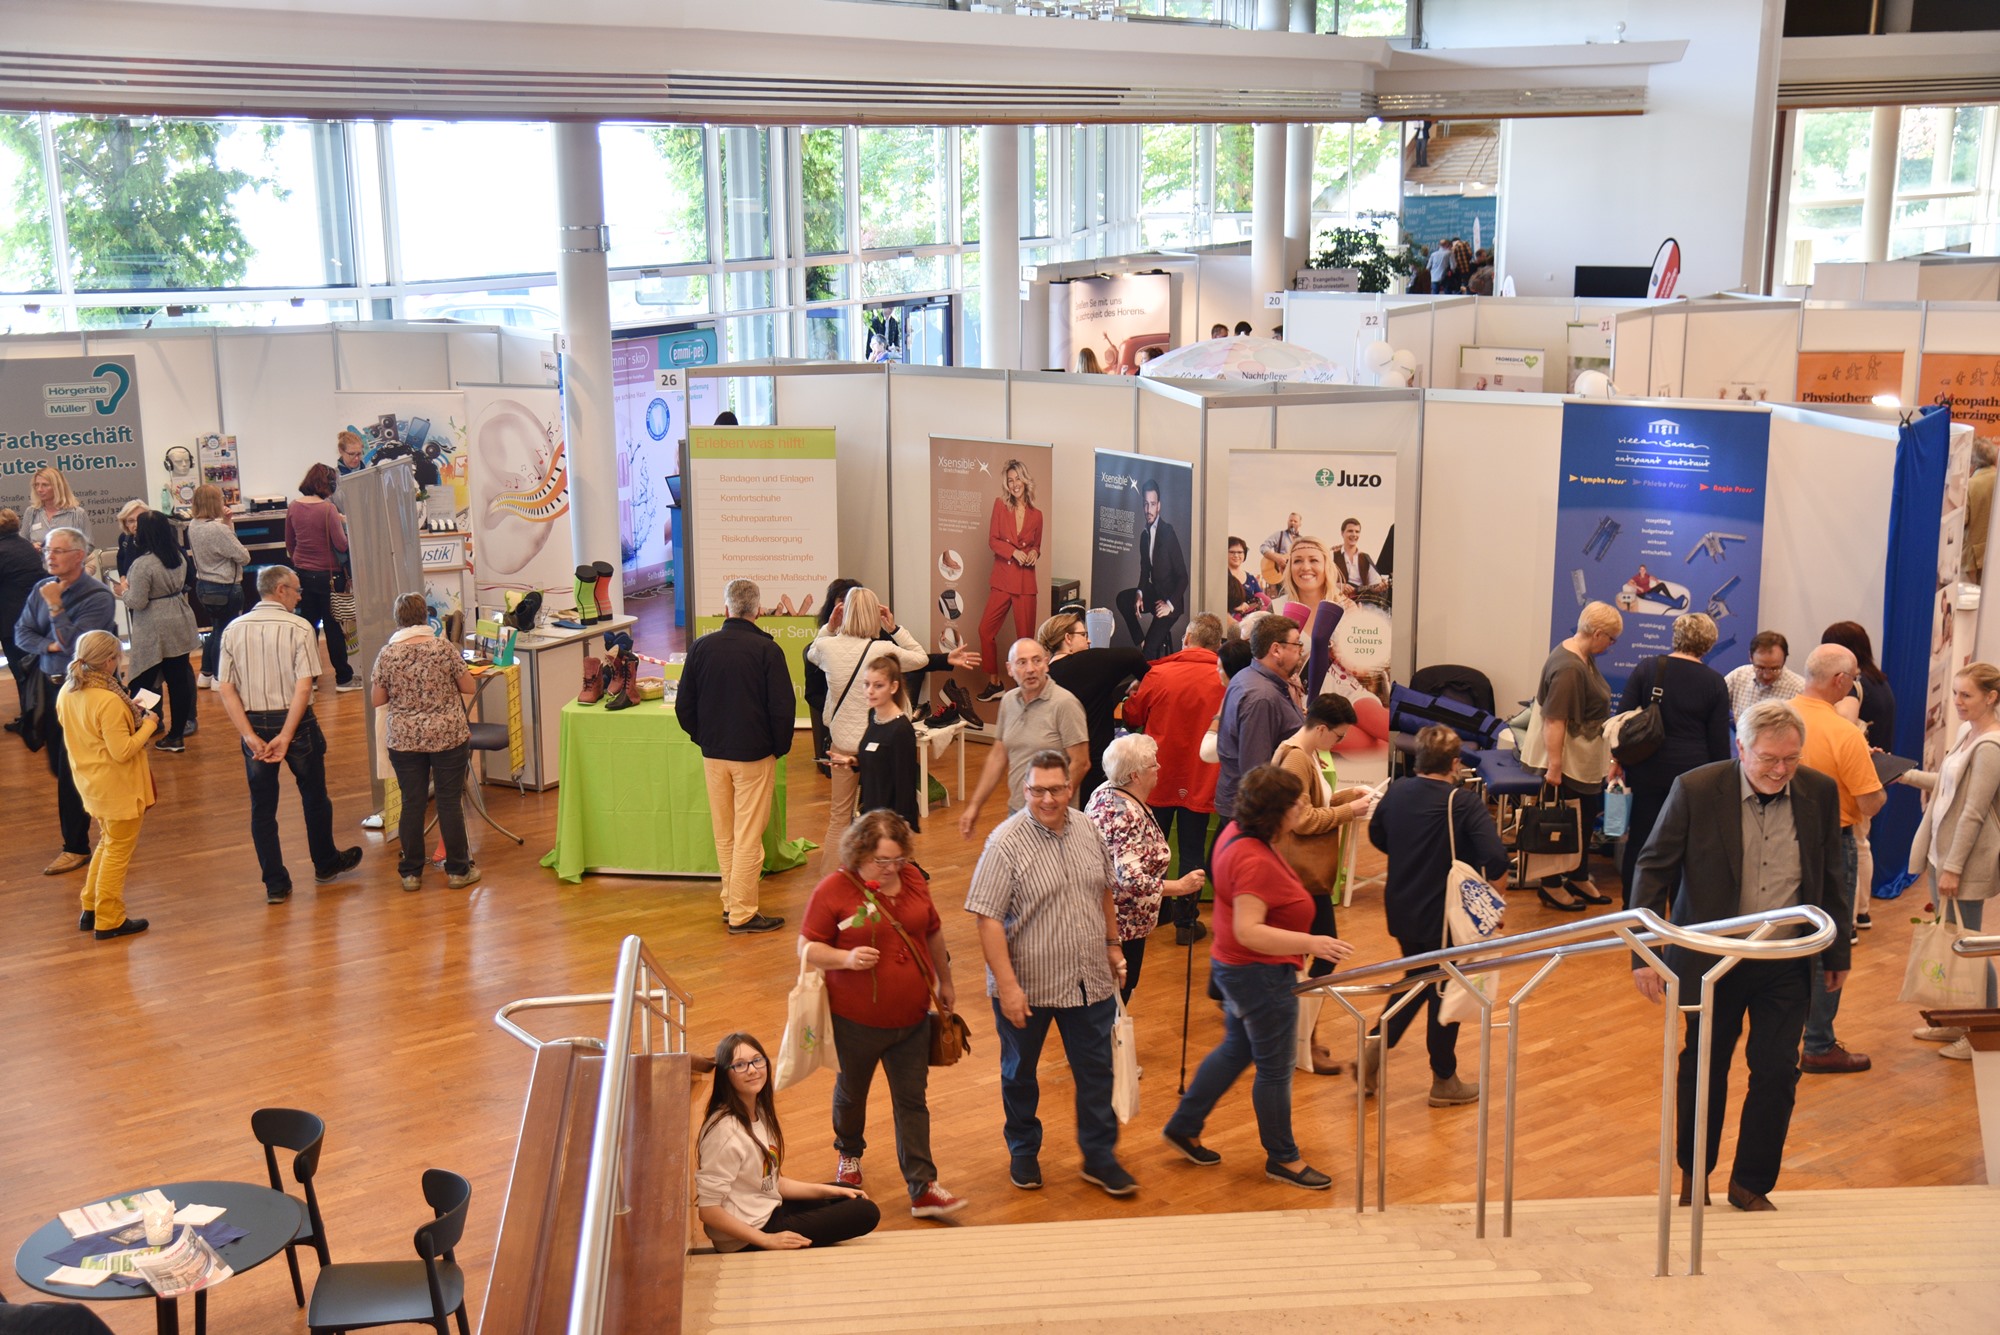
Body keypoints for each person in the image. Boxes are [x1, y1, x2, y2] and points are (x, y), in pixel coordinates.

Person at [1630, 700, 1850, 1212]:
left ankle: (1751, 1183)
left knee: (1777, 1071)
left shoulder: (1818, 790)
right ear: (1742, 748)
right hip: (1711, 961)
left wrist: (1836, 951)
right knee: (1703, 1069)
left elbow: (1830, 875)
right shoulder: (1696, 788)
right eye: (1769, 759)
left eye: (1791, 759)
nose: (1780, 770)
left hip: (1785, 959)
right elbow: (1653, 868)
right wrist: (1643, 954)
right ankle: (1694, 1176)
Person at [1162, 764, 1352, 1188]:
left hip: (1236, 967)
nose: (1301, 807)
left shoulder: (1237, 833)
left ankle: (1184, 1125)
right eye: (1295, 803)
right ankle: (1283, 1158)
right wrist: (1313, 942)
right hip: (1259, 974)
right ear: (1274, 813)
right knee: (1276, 1068)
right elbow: (1250, 930)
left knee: (1237, 1049)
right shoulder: (1252, 858)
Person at [966, 749, 1136, 1196]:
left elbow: (1103, 890)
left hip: (1088, 980)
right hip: (1028, 985)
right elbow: (987, 919)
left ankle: (1099, 1157)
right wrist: (1008, 987)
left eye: (1056, 789)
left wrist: (1113, 944)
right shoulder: (1004, 843)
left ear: (1070, 788)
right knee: (1019, 1073)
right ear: (1025, 790)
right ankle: (1023, 1151)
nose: (1047, 799)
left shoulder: (1087, 828)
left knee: (1097, 1071)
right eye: (1038, 790)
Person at [799, 809, 965, 1219]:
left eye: (898, 859)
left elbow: (932, 929)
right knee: (852, 1092)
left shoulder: (913, 879)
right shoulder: (833, 889)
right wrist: (846, 958)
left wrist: (945, 981)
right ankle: (849, 1153)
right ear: (859, 853)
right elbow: (806, 948)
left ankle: (923, 1188)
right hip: (854, 1022)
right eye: (881, 861)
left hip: (912, 1017)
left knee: (913, 1101)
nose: (891, 868)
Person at [1366, 725, 1509, 1106]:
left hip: (1400, 905)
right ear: (1454, 763)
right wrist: (1494, 901)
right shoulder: (1461, 802)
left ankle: (1376, 1045)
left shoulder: (1397, 791)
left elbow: (1377, 836)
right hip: (1444, 913)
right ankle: (1444, 1080)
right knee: (1444, 988)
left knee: (1419, 978)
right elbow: (1496, 857)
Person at [216, 563, 363, 905]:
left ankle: (275, 883)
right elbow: (304, 687)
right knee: (314, 796)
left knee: (262, 808)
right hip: (297, 726)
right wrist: (286, 734)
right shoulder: (300, 628)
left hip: (253, 722)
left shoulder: (233, 629)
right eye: (297, 590)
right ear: (280, 590)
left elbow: (225, 688)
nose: (300, 597)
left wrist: (249, 736)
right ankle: (325, 863)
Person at [676, 576, 796, 934]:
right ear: (757, 611)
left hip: (714, 755)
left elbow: (684, 706)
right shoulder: (767, 651)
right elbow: (782, 708)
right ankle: (742, 913)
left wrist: (703, 738)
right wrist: (778, 748)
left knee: (725, 833)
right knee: (747, 836)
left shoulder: (701, 647)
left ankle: (731, 901)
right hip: (754, 756)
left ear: (726, 609)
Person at [695, 1032, 880, 1250]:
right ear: (725, 1074)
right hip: (747, 1236)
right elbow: (708, 1211)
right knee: (866, 1212)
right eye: (740, 1065)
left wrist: (828, 1190)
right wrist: (767, 1240)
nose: (752, 1070)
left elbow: (774, 1183)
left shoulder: (758, 1111)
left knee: (847, 1194)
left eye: (756, 1060)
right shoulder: (724, 1133)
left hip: (767, 1208)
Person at [1899, 661, 2000, 1058]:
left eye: (1965, 695)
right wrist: (1903, 774)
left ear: (1991, 697)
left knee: (1969, 945)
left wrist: (1954, 868)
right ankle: (1959, 1019)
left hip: (1965, 862)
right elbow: (1946, 786)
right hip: (1941, 855)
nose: (1956, 701)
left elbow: (1973, 812)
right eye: (1955, 693)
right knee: (1955, 941)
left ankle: (1984, 1033)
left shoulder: (1990, 747)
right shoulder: (1965, 733)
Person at [1791, 643, 1883, 1076]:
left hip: (1776, 840)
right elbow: (1869, 803)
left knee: (1785, 938)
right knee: (1827, 941)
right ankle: (1818, 1043)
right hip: (1831, 845)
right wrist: (1875, 775)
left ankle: (1780, 1032)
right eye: (1854, 679)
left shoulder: (1777, 717)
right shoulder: (1845, 734)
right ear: (1840, 681)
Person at [1273, 693, 1372, 1073]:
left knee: (1309, 956)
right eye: (1339, 736)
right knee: (1322, 954)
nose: (1339, 743)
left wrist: (1348, 797)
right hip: (1301, 876)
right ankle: (1302, 1041)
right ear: (1322, 728)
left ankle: (1301, 1038)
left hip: (1303, 876)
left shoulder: (1305, 753)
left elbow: (1316, 803)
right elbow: (1301, 820)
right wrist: (1349, 810)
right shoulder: (1298, 758)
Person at [13, 527, 116, 875]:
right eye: (47, 551)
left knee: (71, 769)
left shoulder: (98, 596)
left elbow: (77, 648)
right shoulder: (41, 588)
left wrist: (56, 607)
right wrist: (49, 646)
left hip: (82, 692)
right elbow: (21, 633)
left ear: (78, 556)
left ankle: (75, 846)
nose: (49, 557)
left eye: (57, 551)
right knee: (59, 767)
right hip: (49, 687)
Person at [1121, 614, 1226, 942]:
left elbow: (1132, 715)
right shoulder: (1225, 680)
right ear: (1217, 645)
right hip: (1201, 775)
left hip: (1157, 776)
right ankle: (1186, 922)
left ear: (1187, 638)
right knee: (1192, 848)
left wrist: (1130, 696)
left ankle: (1153, 912)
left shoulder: (1159, 673)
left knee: (1152, 848)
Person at [1616, 613, 1732, 904]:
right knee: (1686, 846)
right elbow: (1718, 742)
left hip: (1647, 768)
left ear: (1676, 636)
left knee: (1641, 840)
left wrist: (1616, 762)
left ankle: (1635, 908)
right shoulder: (1715, 682)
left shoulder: (1648, 668)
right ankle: (1678, 913)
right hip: (1693, 776)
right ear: (1709, 644)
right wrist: (1722, 784)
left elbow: (1621, 720)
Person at [807, 586, 929, 855]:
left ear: (844, 612)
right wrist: (894, 628)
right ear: (876, 615)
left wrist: (829, 627)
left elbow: (811, 653)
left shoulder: (827, 647)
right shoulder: (884, 649)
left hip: (842, 743)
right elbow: (920, 658)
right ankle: (884, 867)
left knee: (839, 816)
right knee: (882, 815)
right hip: (878, 743)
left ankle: (834, 876)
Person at [56, 629, 161, 941]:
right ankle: (109, 918)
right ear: (108, 661)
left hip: (90, 783)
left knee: (107, 842)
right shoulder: (108, 701)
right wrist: (150, 725)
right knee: (117, 852)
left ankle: (90, 906)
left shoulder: (68, 691)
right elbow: (123, 751)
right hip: (118, 787)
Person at [371, 592, 478, 892]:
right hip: (448, 735)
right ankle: (458, 871)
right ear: (425, 616)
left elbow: (377, 699)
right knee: (449, 802)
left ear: (398, 618)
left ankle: (411, 873)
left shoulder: (387, 654)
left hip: (404, 739)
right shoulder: (443, 648)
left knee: (412, 803)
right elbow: (469, 687)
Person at [1086, 734, 1205, 1002]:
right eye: (1153, 764)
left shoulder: (1106, 791)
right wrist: (1180, 887)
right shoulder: (1124, 814)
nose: (1158, 767)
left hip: (1115, 920)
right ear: (1135, 776)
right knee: (1116, 997)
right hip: (1121, 925)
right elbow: (1129, 879)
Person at [1526, 601, 1622, 910]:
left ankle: (1578, 875)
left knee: (1584, 816)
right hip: (1566, 761)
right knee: (1561, 822)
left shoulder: (1581, 655)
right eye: (1611, 639)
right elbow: (1554, 720)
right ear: (1597, 634)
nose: (1612, 645)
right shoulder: (1569, 667)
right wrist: (1554, 767)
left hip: (1581, 757)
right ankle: (1551, 884)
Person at [957, 638, 1088, 841]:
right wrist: (975, 805)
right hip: (1018, 811)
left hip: (1053, 817)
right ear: (1010, 669)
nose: (1030, 669)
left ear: (1046, 664)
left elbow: (1081, 762)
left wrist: (1054, 802)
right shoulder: (1009, 701)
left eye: (1037, 660)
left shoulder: (1065, 704)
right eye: (1022, 662)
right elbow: (998, 757)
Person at [1821, 620, 1896, 932]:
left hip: (1856, 773)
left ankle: (1849, 919)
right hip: (1875, 771)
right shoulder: (1879, 681)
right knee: (1862, 843)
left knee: (1853, 845)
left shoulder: (1853, 687)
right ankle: (1862, 911)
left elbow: (1844, 724)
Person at [1040, 610, 1149, 803]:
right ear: (1068, 638)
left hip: (1052, 764)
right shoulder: (1090, 662)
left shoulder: (1043, 677)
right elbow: (1133, 656)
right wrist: (1143, 680)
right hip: (1092, 768)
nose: (1089, 641)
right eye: (1084, 635)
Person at [118, 510, 201, 753]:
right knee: (178, 680)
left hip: (153, 624)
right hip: (179, 616)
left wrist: (122, 592)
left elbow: (137, 601)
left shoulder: (143, 564)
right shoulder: (178, 557)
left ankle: (141, 730)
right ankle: (177, 735)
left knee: (141, 679)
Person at [1214, 614, 1305, 824]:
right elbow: (1256, 770)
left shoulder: (1253, 679)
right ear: (1276, 650)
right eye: (1297, 644)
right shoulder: (1262, 697)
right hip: (1257, 814)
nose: (1300, 652)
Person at [285, 462, 357, 692]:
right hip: (329, 576)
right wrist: (344, 524)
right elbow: (341, 545)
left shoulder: (293, 506)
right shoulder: (328, 510)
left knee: (308, 627)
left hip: (303, 577)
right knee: (333, 628)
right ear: (327, 484)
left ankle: (310, 678)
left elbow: (290, 543)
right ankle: (343, 678)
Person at [976, 460, 1042, 703]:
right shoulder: (1000, 506)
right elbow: (993, 540)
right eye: (1010, 480)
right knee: (985, 630)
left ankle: (1025, 690)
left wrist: (1034, 552)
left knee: (1025, 642)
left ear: (1025, 480)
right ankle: (994, 683)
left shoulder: (1037, 515)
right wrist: (1013, 552)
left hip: (1025, 583)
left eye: (1017, 479)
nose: (1014, 484)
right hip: (1003, 579)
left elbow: (1037, 546)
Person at [829, 657, 921, 830]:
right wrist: (852, 760)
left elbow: (905, 784)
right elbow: (879, 755)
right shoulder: (873, 715)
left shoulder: (901, 730)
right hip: (871, 815)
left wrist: (902, 826)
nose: (870, 691)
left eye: (878, 686)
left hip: (890, 822)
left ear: (893, 687)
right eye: (866, 684)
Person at [1114, 479, 1188, 659]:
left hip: (1170, 601)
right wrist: (1140, 593)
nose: (1148, 509)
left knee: (1149, 652)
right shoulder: (1144, 536)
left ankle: (1147, 653)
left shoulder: (1168, 533)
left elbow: (1183, 577)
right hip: (1155, 593)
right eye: (1145, 504)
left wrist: (1169, 605)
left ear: (1159, 506)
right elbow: (1145, 570)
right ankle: (1142, 641)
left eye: (1152, 504)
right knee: (1123, 599)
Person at [189, 483, 250, 689]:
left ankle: (206, 673)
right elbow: (243, 556)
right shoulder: (217, 529)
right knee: (224, 634)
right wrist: (227, 525)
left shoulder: (194, 525)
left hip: (205, 586)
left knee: (216, 630)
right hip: (225, 587)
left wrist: (227, 522)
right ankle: (219, 676)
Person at [803, 577, 862, 776]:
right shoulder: (818, 649)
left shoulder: (876, 640)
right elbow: (812, 694)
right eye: (842, 601)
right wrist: (839, 709)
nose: (848, 608)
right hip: (837, 723)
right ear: (832, 607)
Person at [0, 509, 43, 733]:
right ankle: (35, 717)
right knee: (31, 670)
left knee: (21, 672)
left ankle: (31, 722)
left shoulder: (2, 551)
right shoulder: (25, 546)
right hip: (33, 617)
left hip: (11, 620)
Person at [1723, 631, 1804, 719]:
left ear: (1784, 661)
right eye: (1760, 668)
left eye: (1774, 669)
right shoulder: (1738, 676)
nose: (1767, 676)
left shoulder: (1799, 689)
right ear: (1750, 657)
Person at [24, 468, 91, 553]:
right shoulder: (31, 512)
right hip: (38, 561)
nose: (39, 489)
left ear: (58, 487)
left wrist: (66, 553)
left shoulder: (77, 514)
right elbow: (21, 544)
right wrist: (31, 547)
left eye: (45, 485)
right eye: (36, 485)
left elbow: (89, 546)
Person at [1329, 518, 1388, 603]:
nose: (1354, 534)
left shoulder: (1366, 558)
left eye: (1357, 532)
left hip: (1362, 602)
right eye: (1350, 531)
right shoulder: (1332, 556)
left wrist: (1379, 588)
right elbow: (1322, 581)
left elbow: (1374, 584)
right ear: (1342, 533)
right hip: (1338, 600)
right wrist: (1337, 585)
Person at [1965, 435, 1994, 585]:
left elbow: (1962, 520)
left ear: (1973, 461)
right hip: (1993, 548)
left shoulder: (1971, 485)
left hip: (1972, 557)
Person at [1226, 536, 1267, 621]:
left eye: (1240, 552)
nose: (1236, 555)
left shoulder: (1250, 578)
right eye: (1232, 552)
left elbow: (1262, 598)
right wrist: (1235, 606)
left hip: (1250, 620)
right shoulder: (1222, 576)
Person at [114, 499, 147, 579]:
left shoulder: (157, 540)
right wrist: (122, 578)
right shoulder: (124, 538)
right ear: (125, 523)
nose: (136, 524)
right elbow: (121, 559)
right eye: (131, 521)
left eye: (140, 519)